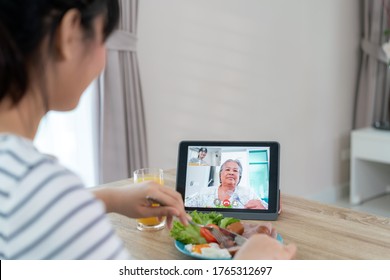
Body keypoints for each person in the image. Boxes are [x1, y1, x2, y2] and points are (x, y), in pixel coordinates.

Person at [0, 0, 295, 260]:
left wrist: (111, 198)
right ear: (70, 33)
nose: (103, 58)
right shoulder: (35, 187)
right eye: (105, 37)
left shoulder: (24, 183)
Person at [186, 159, 268, 209]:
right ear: (220, 174)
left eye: (235, 171)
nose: (231, 173)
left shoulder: (248, 193)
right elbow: (186, 206)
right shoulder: (205, 192)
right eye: (227, 169)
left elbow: (266, 208)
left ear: (239, 176)